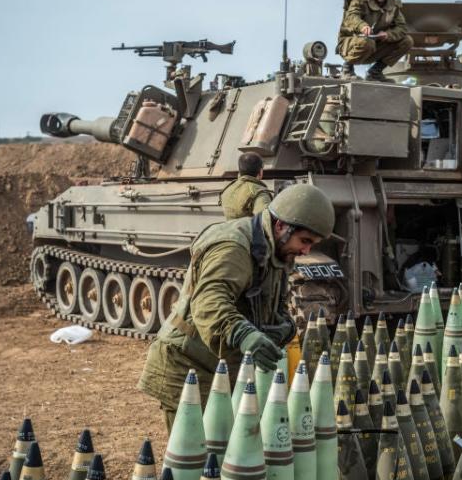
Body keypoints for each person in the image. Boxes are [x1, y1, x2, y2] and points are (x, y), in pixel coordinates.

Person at [138, 184, 336, 431]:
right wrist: (244, 334)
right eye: (304, 240)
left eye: (312, 244)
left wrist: (282, 327)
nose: (306, 250)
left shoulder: (276, 252)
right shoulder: (234, 246)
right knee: (196, 461)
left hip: (225, 367)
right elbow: (209, 302)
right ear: (280, 226)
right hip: (189, 367)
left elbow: (275, 303)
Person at [337, 0, 414, 81]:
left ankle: (375, 72)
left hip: (375, 46)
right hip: (350, 45)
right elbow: (351, 17)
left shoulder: (393, 5)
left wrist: (388, 35)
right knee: (367, 42)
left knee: (407, 41)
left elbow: (402, 28)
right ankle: (347, 68)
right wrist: (362, 26)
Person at [220, 152, 273, 219]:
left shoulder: (227, 189)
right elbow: (265, 222)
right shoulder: (259, 193)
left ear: (239, 171)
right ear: (260, 172)